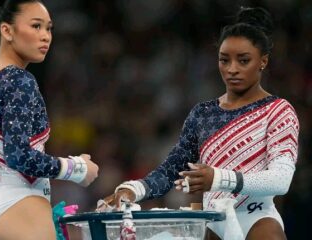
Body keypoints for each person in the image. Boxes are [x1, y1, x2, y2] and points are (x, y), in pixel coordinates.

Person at [97, 7, 299, 240]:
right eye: (225, 60)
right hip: (213, 221)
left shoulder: (278, 110)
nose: (232, 69)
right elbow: (171, 169)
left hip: (257, 217)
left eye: (243, 60)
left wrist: (218, 178)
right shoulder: (202, 113)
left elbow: (280, 180)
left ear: (263, 61)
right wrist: (133, 190)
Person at [0, 1, 99, 239]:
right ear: (7, 30)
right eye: (36, 26)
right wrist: (77, 168)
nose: (45, 37)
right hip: (19, 204)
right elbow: (19, 155)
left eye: (49, 28)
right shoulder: (19, 80)